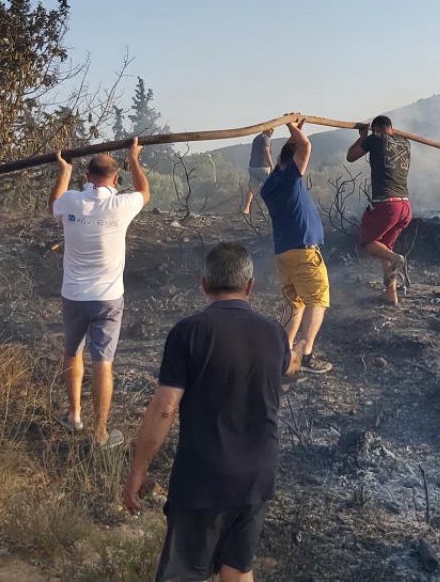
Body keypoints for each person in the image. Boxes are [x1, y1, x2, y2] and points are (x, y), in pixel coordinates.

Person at [124, 243, 290, 582]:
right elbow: (287, 366)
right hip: (257, 477)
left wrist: (138, 469)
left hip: (204, 479)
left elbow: (165, 408)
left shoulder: (189, 332)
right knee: (238, 570)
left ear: (204, 284)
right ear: (250, 285)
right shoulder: (274, 332)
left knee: (183, 574)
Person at [49, 138, 149, 447]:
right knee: (103, 362)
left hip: (74, 296)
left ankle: (74, 415)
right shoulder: (121, 204)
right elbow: (145, 192)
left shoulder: (71, 202)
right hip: (108, 298)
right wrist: (134, 158)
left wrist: (64, 171)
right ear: (116, 179)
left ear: (87, 177)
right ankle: (100, 432)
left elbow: (54, 203)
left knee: (72, 352)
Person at [259, 114, 331, 374]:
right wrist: (289, 124)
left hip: (284, 253)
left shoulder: (270, 185)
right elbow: (305, 146)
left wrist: (294, 131)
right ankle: (307, 355)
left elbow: (294, 150)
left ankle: (284, 353)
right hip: (304, 251)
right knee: (318, 299)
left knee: (296, 303)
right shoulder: (291, 178)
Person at [346, 115, 411, 305]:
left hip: (387, 205)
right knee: (384, 247)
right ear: (391, 128)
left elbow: (350, 156)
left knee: (366, 242)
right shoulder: (405, 143)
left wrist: (362, 137)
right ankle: (391, 294)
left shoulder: (375, 139)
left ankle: (395, 258)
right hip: (405, 206)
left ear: (375, 129)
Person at [241, 128, 273, 216]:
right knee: (271, 187)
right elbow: (266, 152)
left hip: (253, 167)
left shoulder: (257, 138)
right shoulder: (265, 137)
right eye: (271, 130)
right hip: (263, 167)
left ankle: (246, 208)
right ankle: (271, 208)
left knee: (252, 188)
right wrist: (272, 166)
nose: (272, 132)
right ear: (267, 129)